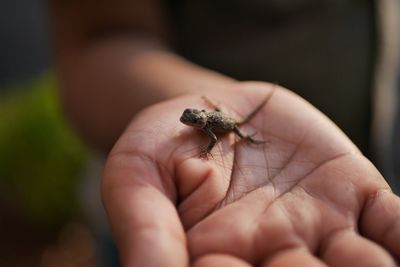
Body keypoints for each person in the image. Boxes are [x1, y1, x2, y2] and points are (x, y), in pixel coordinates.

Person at [50, 0, 400, 266]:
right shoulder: (201, 121)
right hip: (180, 216)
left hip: (370, 159)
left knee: (246, 135)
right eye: (190, 119)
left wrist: (227, 139)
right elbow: (100, 38)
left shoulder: (211, 125)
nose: (188, 122)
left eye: (191, 119)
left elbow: (219, 135)